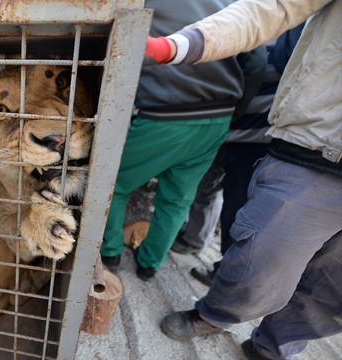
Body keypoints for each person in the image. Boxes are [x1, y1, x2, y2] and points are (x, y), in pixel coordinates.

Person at [146, 1, 341, 359]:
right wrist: (182, 46)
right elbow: (270, 17)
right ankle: (216, 308)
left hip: (219, 123)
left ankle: (275, 344)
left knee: (333, 290)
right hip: (302, 144)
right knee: (253, 244)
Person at [99, 0, 266, 281]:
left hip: (165, 115)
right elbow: (257, 62)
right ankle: (150, 264)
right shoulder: (237, 4)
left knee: (111, 182)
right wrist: (235, 111)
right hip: (218, 120)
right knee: (178, 198)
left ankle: (110, 252)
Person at [171, 25, 305, 288]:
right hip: (227, 130)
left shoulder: (298, 40)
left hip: (255, 139)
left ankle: (224, 272)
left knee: (238, 208)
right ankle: (194, 239)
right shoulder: (263, 27)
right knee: (205, 188)